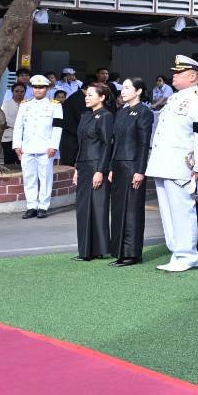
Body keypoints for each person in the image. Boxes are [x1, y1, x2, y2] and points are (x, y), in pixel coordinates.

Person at [144, 55, 198, 272]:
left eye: (179, 72)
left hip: (183, 166)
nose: (173, 75)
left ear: (192, 77)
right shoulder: (174, 98)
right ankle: (176, 251)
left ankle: (187, 255)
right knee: (168, 212)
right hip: (164, 163)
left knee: (183, 211)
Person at [108, 78, 154, 266]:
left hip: (132, 165)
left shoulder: (144, 112)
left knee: (132, 210)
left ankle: (132, 253)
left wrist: (140, 170)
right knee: (118, 209)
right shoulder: (121, 111)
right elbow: (116, 142)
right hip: (118, 165)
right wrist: (111, 167)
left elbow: (144, 144)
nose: (123, 91)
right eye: (123, 88)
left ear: (139, 91)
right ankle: (119, 251)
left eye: (128, 88)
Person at [72, 83, 116, 261]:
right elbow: (81, 144)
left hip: (96, 166)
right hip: (84, 166)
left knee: (97, 207)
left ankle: (97, 249)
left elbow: (107, 145)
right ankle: (86, 250)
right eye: (86, 94)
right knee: (83, 209)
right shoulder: (86, 116)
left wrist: (101, 170)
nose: (87, 97)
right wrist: (76, 168)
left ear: (102, 97)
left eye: (91, 94)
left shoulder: (106, 116)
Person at [12, 75, 61, 219]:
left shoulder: (54, 105)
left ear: (47, 89)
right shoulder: (25, 104)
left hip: (45, 147)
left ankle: (43, 206)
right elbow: (18, 126)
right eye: (35, 87)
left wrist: (53, 146)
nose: (38, 90)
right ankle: (31, 206)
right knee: (29, 178)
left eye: (41, 87)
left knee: (45, 178)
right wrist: (17, 145)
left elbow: (57, 127)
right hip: (27, 147)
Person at [0, 80, 26, 167]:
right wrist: (20, 125)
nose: (19, 93)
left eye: (22, 91)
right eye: (16, 91)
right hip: (8, 136)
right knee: (9, 162)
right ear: (12, 92)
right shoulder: (6, 104)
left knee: (22, 162)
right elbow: (4, 119)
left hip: (23, 137)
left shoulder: (28, 104)